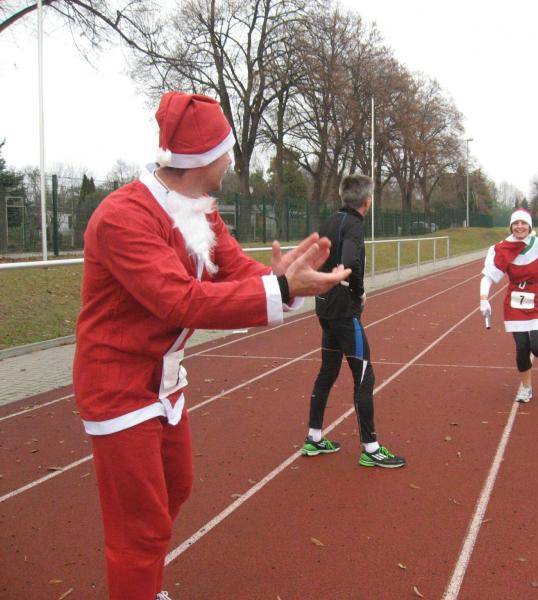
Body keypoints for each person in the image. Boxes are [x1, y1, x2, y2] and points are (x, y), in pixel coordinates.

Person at [73, 91, 351, 600]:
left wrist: (282, 279)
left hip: (164, 381)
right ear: (205, 156)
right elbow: (180, 301)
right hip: (118, 386)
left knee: (175, 488)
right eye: (226, 150)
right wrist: (280, 289)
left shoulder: (199, 207)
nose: (231, 161)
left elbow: (232, 268)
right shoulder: (122, 217)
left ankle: (146, 585)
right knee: (140, 528)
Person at [301, 174, 406, 468]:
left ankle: (314, 437)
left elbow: (316, 256)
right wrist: (358, 293)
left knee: (328, 370)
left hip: (323, 304)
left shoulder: (329, 221)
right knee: (363, 374)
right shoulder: (355, 226)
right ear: (367, 202)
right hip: (343, 308)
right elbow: (351, 261)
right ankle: (371, 448)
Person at [479, 208, 538, 403]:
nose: (519, 227)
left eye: (523, 223)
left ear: (529, 226)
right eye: (516, 223)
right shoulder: (501, 249)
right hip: (516, 300)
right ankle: (526, 388)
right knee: (522, 347)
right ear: (511, 226)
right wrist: (484, 298)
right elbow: (488, 277)